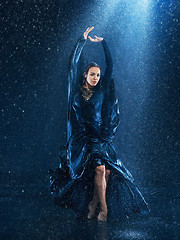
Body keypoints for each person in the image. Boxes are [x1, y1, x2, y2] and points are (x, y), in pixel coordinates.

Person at [48, 27, 149, 221]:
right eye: (92, 74)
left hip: (99, 139)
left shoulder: (101, 91)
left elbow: (110, 66)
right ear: (85, 75)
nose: (96, 78)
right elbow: (72, 64)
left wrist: (104, 44)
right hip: (82, 140)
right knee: (101, 170)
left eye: (98, 75)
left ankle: (94, 204)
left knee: (107, 172)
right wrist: (82, 41)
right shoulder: (76, 92)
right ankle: (104, 209)